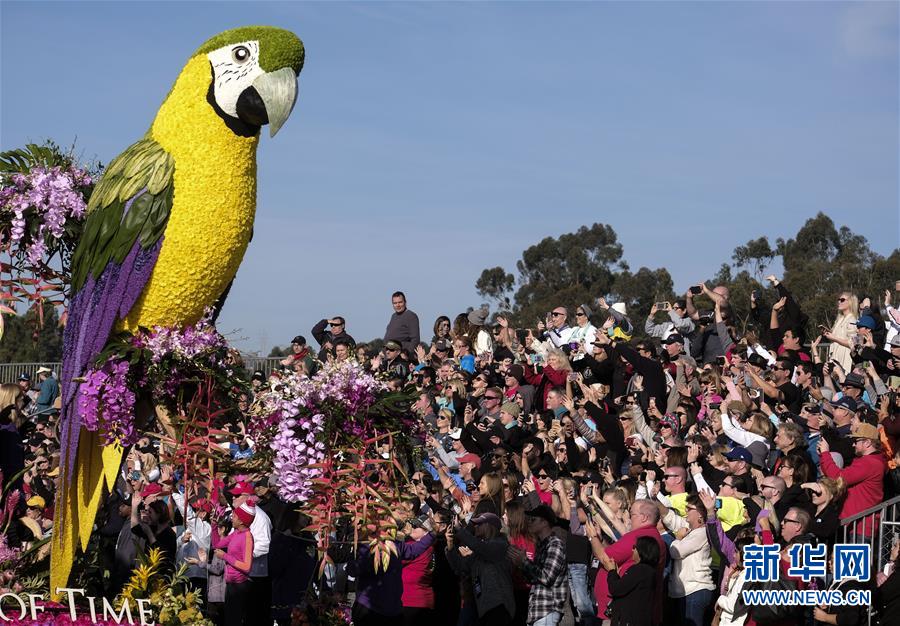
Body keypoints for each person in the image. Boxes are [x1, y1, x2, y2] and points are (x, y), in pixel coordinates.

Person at [446, 512, 515, 625]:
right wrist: (450, 545)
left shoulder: (500, 544)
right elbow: (460, 567)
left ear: (489, 526)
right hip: (483, 608)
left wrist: (460, 529)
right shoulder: (479, 552)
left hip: (500, 606)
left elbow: (481, 547)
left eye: (479, 524)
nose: (475, 527)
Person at [508, 504, 568, 626]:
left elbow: (546, 577)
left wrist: (524, 561)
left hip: (547, 609)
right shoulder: (541, 546)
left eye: (533, 519)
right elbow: (533, 579)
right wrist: (520, 564)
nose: (529, 522)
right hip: (537, 610)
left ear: (544, 522)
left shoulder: (555, 544)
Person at [211, 502, 256, 626]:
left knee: (234, 620)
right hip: (230, 583)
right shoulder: (236, 533)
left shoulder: (247, 537)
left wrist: (225, 556)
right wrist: (214, 526)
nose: (232, 518)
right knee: (229, 619)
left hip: (239, 586)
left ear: (242, 521)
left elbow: (247, 567)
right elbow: (217, 545)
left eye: (235, 516)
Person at [603, 535, 660, 626]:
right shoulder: (649, 571)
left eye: (635, 547)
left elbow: (616, 589)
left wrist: (611, 571)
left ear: (642, 550)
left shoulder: (639, 570)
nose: (632, 550)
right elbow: (627, 588)